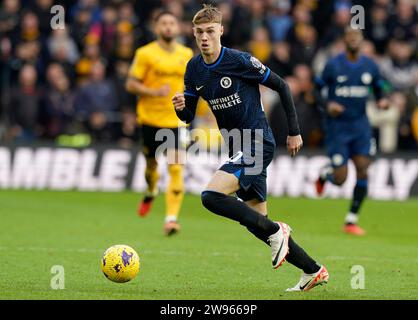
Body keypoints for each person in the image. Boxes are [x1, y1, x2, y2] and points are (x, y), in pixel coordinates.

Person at [172, 4, 328, 292]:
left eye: (209, 31)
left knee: (210, 196)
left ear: (221, 30)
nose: (204, 37)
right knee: (257, 223)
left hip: (257, 142)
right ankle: (313, 269)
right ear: (193, 34)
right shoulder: (194, 69)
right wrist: (181, 108)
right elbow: (188, 116)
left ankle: (278, 230)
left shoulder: (240, 61)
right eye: (198, 33)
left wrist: (294, 132)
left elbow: (282, 85)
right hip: (237, 148)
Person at [315, 27, 390, 236]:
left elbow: (380, 87)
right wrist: (328, 104)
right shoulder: (333, 65)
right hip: (338, 127)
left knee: (363, 168)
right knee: (340, 179)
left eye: (357, 37)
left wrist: (382, 99)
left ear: (362, 41)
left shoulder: (370, 66)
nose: (354, 41)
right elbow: (315, 90)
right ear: (345, 41)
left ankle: (351, 220)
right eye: (350, 37)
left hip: (360, 126)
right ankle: (324, 174)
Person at [126, 11, 193, 236]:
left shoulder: (187, 54)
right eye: (163, 23)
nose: (168, 27)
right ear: (157, 28)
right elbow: (131, 84)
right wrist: (153, 91)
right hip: (149, 119)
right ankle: (151, 189)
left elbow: (193, 86)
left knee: (175, 167)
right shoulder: (145, 53)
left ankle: (171, 219)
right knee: (151, 167)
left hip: (176, 122)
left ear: (178, 28)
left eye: (172, 23)